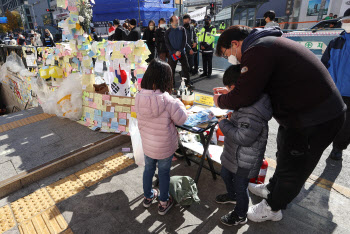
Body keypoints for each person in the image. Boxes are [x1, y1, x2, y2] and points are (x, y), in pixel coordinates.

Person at [214, 25, 346, 222]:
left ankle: (273, 208)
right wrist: (232, 94)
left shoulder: (258, 50)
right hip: (299, 115)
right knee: (284, 155)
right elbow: (250, 87)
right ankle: (272, 189)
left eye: (227, 55)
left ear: (235, 44)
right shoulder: (265, 44)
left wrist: (221, 101)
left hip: (315, 118)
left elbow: (245, 94)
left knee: (295, 166)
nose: (231, 60)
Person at [215, 65, 272, 226]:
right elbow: (242, 123)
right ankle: (232, 196)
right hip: (234, 153)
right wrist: (233, 117)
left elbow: (243, 137)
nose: (229, 93)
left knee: (241, 187)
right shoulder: (247, 98)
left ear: (237, 87)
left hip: (245, 159)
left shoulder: (254, 109)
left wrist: (224, 123)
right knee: (225, 174)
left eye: (230, 89)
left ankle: (240, 215)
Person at [135, 59, 188, 215]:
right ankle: (163, 202)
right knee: (164, 173)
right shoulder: (169, 100)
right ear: (166, 79)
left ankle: (148, 197)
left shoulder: (138, 96)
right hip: (164, 146)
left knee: (148, 169)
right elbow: (182, 119)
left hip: (148, 144)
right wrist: (180, 102)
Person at [321, 8, 350, 161]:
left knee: (346, 125)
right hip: (333, 91)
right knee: (328, 121)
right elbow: (324, 65)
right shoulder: (336, 42)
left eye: (347, 20)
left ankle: (338, 148)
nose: (344, 23)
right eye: (344, 21)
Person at [164, 15, 191, 86]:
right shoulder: (167, 32)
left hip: (182, 52)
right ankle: (171, 84)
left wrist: (179, 50)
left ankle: (187, 83)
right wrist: (174, 52)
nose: (177, 21)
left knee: (186, 68)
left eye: (177, 20)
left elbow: (184, 41)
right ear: (171, 22)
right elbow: (167, 43)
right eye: (176, 20)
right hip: (172, 54)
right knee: (171, 70)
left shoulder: (182, 29)